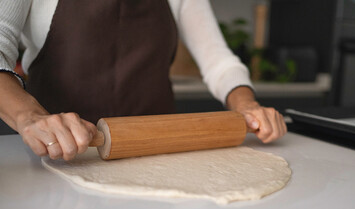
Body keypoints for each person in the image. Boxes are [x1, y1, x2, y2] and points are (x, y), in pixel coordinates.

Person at [0, 0, 287, 161]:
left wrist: (246, 105)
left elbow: (218, 61)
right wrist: (31, 117)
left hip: (158, 155)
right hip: (58, 156)